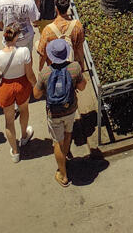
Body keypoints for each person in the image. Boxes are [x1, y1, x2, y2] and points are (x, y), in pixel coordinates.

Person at [33, 38, 85, 188]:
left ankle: (63, 175)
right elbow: (82, 87)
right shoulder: (74, 68)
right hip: (70, 110)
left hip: (54, 113)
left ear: (51, 55)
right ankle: (66, 153)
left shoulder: (45, 73)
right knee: (68, 133)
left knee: (57, 142)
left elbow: (36, 94)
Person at [0, 23, 37, 162]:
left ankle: (15, 151)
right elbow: (29, 74)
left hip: (6, 86)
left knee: (9, 120)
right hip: (22, 85)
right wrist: (36, 85)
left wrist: (0, 86)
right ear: (16, 36)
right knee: (24, 110)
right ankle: (24, 136)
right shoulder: (24, 51)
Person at [37, 0, 86, 71]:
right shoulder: (77, 25)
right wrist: (82, 66)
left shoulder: (48, 30)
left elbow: (43, 54)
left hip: (54, 68)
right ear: (68, 7)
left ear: (56, 8)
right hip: (72, 65)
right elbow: (80, 48)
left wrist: (40, 69)